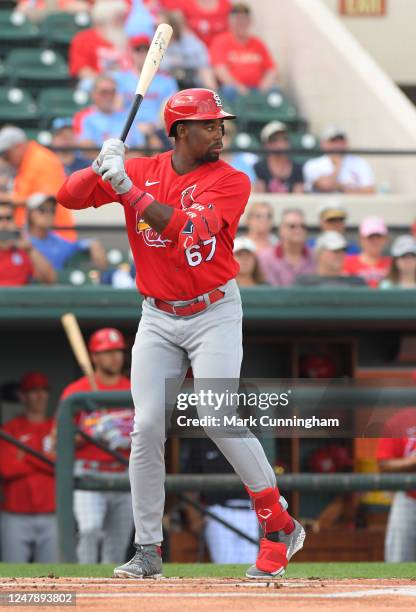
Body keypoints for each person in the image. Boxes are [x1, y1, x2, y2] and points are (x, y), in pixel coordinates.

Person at [57, 87, 305, 579]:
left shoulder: (232, 180)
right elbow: (67, 197)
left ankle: (277, 524)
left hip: (214, 309)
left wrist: (126, 189)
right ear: (180, 131)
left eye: (219, 123)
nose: (220, 131)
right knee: (145, 427)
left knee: (216, 414)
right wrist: (98, 165)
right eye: (210, 124)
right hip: (158, 315)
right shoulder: (145, 169)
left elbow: (187, 232)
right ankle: (148, 549)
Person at [60, 328, 133, 564]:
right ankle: (83, 581)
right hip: (89, 473)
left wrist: (129, 434)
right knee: (90, 529)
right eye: (107, 352)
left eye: (118, 351)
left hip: (124, 473)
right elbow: (56, 442)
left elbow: (156, 431)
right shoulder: (76, 391)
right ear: (94, 357)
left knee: (119, 541)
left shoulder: (134, 387)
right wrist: (88, 431)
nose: (115, 357)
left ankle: (109, 596)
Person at [0, 372, 57, 562]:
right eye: (33, 391)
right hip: (15, 515)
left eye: (43, 390)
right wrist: (45, 459)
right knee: (12, 577)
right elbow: (7, 468)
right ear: (22, 396)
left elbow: (61, 467)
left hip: (52, 515)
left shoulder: (56, 427)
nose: (40, 396)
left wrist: (25, 457)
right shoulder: (9, 429)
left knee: (53, 578)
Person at [182, 436, 259, 563]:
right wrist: (193, 516)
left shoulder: (249, 439)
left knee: (251, 568)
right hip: (219, 512)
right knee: (225, 566)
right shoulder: (202, 442)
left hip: (249, 512)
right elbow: (189, 483)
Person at [0, 126, 75, 240]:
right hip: (33, 235)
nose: (6, 159)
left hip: (53, 236)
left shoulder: (41, 160)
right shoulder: (27, 161)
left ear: (18, 147)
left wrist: (8, 198)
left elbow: (46, 200)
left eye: (6, 154)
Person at [112, 35, 178, 147]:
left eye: (146, 49)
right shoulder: (119, 78)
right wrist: (134, 127)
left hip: (157, 129)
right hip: (127, 129)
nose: (142, 53)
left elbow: (168, 109)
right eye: (138, 49)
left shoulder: (166, 80)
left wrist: (154, 125)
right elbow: (116, 108)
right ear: (131, 53)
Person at [210, 2, 278, 101]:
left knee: (275, 91)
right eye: (238, 20)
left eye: (245, 20)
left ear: (250, 22)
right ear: (230, 22)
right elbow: (221, 71)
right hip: (235, 90)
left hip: (258, 89)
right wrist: (240, 88)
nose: (242, 24)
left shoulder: (258, 43)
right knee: (229, 90)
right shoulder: (221, 41)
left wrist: (264, 87)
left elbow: (271, 70)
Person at [26, 193, 108, 272]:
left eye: (52, 210)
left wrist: (92, 243)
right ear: (30, 213)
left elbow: (76, 245)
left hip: (57, 284)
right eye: (42, 210)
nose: (48, 214)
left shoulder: (56, 240)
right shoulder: (21, 239)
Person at [376, 408, 416, 562]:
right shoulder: (401, 420)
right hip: (408, 499)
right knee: (398, 560)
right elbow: (384, 463)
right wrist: (411, 462)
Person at [69, 0, 132, 90]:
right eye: (117, 18)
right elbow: (82, 70)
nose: (121, 22)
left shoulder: (129, 39)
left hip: (125, 83)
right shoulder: (84, 38)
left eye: (123, 18)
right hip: (97, 82)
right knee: (87, 84)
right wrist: (104, 82)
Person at [76, 75, 146, 149]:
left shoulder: (127, 117)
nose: (108, 96)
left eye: (112, 92)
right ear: (94, 94)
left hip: (127, 159)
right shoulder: (84, 117)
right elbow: (87, 150)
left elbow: (140, 148)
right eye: (104, 92)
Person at [303, 125, 376, 194]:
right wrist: (338, 165)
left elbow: (369, 191)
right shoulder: (313, 164)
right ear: (323, 143)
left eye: (341, 141)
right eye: (333, 141)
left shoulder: (360, 163)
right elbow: (325, 186)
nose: (338, 145)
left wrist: (339, 187)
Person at [0, 200, 56, 286]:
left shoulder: (25, 250)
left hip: (20, 298)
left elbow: (50, 279)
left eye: (8, 218)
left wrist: (30, 249)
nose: (4, 223)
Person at [160, 10, 217, 90]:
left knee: (204, 72)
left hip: (190, 82)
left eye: (163, 27)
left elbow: (203, 63)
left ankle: (211, 96)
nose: (158, 31)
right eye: (155, 27)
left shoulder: (188, 42)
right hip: (166, 88)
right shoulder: (152, 46)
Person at [258, 208, 315, 287]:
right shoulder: (265, 257)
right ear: (281, 230)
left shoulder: (315, 256)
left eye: (303, 226)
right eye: (292, 226)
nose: (298, 230)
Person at [296, 231, 365, 287]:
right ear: (319, 254)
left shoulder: (356, 284)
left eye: (343, 250)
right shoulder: (304, 284)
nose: (340, 254)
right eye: (335, 250)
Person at [253, 121, 304, 194]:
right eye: (274, 139)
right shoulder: (259, 167)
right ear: (266, 144)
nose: (280, 143)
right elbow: (260, 197)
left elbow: (299, 197)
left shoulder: (297, 168)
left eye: (285, 138)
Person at [343, 216, 391, 288]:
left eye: (379, 237)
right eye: (370, 237)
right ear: (361, 239)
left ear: (385, 239)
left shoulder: (393, 264)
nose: (375, 241)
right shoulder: (346, 263)